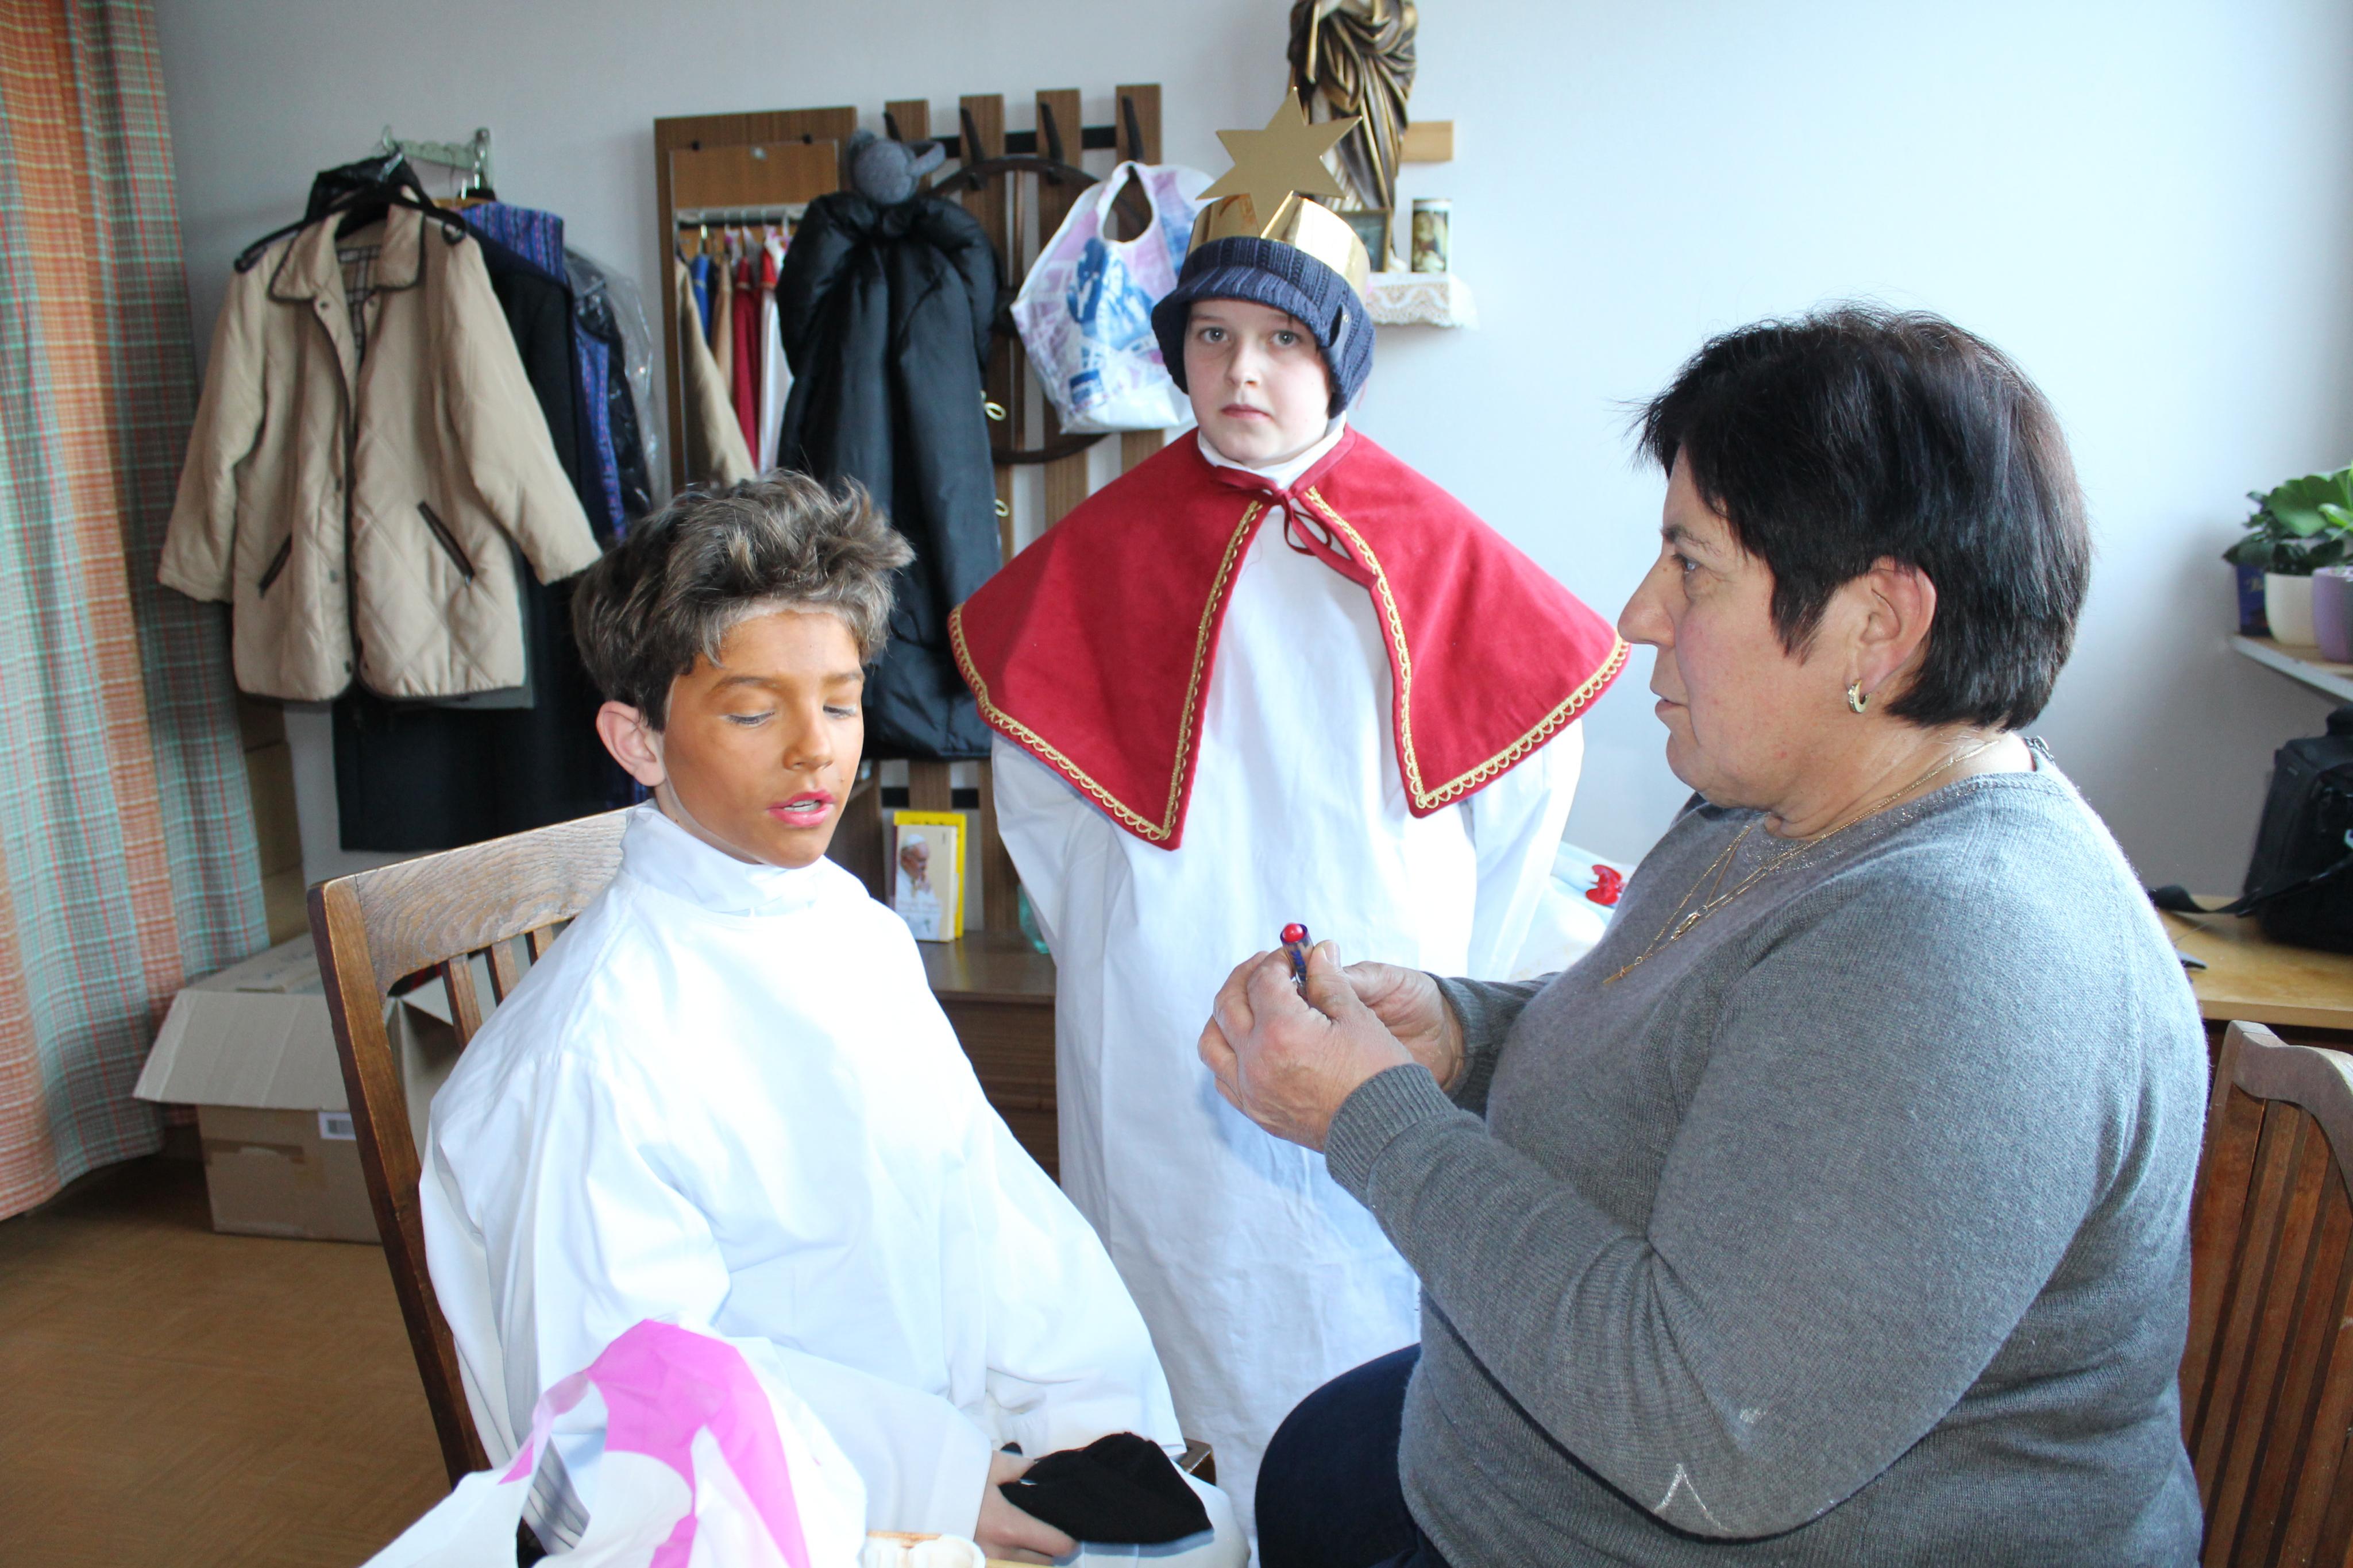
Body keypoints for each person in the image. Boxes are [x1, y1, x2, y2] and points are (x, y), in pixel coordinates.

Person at [1208, 307, 2207, 1566]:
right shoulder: (1776, 806)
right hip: (1517, 1479)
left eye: (1691, 567)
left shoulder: (1965, 956)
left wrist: (1376, 1119)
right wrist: (1464, 1038)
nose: (1637, 613)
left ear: (1877, 626)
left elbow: (1719, 1438)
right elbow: (1715, 1051)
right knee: (1309, 1469)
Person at [950, 109, 1626, 1532]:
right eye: (1210, 337)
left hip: (1375, 987)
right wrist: (1126, 950)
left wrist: (1449, 965)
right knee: (1167, 1302)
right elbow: (1045, 809)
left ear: (1336, 359)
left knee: (1363, 1321)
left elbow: (1521, 800)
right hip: (1156, 1011)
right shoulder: (1097, 557)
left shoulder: (1435, 550)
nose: (1240, 371)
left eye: (1278, 340)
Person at [419, 475, 1240, 1565]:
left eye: (842, 702)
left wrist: (1086, 1416)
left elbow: (986, 1206)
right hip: (772, 1514)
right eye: (754, 711)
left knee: (1209, 1531)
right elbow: (628, 1413)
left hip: (944, 1442)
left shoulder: (847, 922)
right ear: (639, 740)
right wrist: (938, 1479)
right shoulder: (592, 1054)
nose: (815, 749)